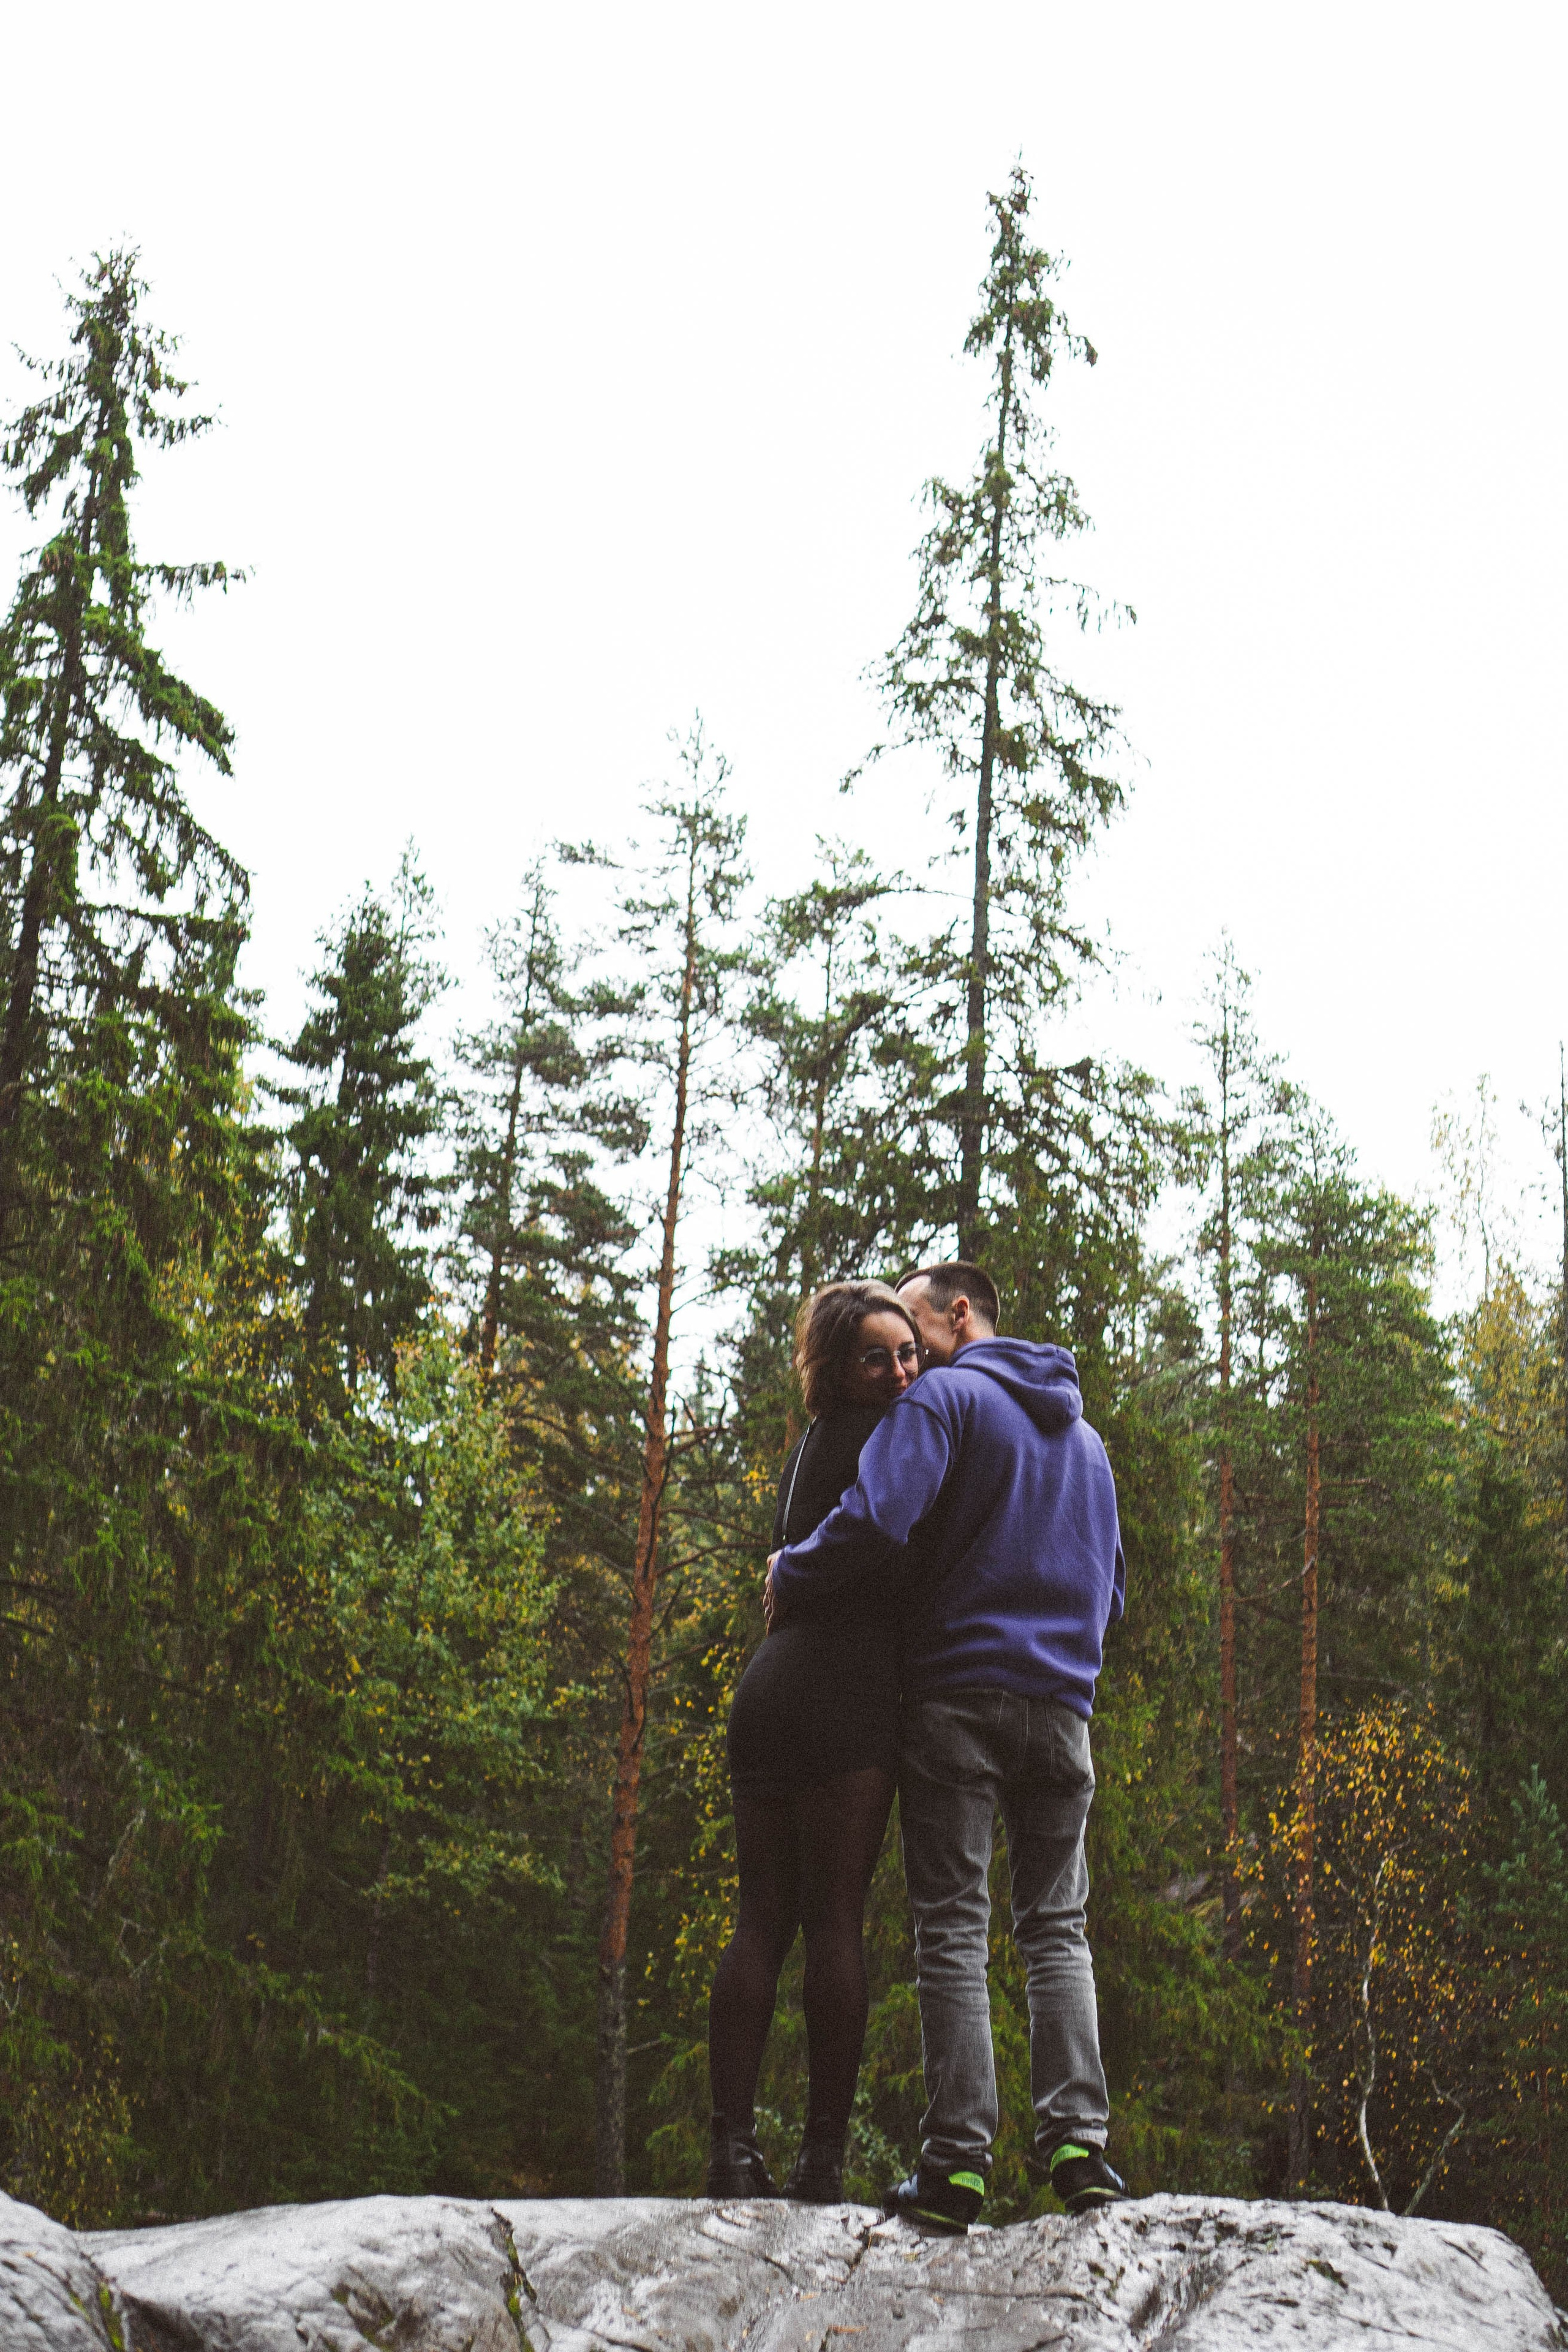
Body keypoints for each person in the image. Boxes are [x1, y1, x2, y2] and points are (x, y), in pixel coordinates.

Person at [766, 1260, 1128, 2233]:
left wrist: (789, 1571)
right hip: (1063, 1708)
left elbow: (878, 1516)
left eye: (917, 1335)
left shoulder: (946, 1402)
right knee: (1057, 1925)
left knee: (954, 1929)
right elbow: (1113, 1589)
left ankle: (956, 2168)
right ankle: (1079, 2151)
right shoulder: (1086, 1440)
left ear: (957, 1314)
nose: (907, 1361)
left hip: (958, 1698)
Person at [706, 1280, 924, 2203]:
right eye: (880, 1356)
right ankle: (821, 2162)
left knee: (762, 1918)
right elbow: (895, 1542)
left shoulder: (810, 1448)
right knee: (834, 1918)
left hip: (770, 1685)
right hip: (843, 1689)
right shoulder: (895, 1439)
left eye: (909, 1351)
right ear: (839, 1369)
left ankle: (728, 2152)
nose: (903, 1370)